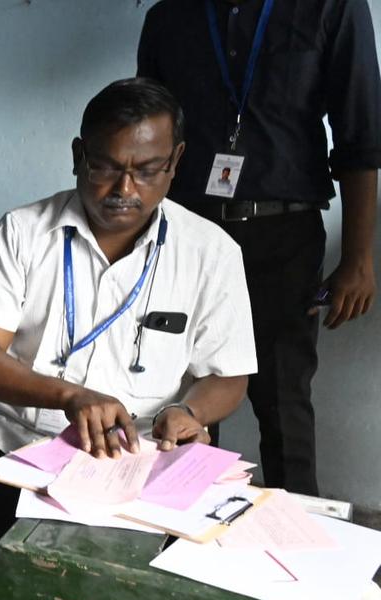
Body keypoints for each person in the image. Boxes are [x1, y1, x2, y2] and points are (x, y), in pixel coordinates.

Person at [0, 78, 257, 600]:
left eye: (147, 169)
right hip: (16, 431)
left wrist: (192, 412)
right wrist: (69, 394)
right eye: (105, 167)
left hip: (140, 444)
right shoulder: (22, 231)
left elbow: (228, 376)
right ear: (78, 155)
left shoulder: (211, 251)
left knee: (163, 570)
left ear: (175, 163)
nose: (124, 189)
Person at [138, 0, 381, 495]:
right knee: (183, 397)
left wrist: (358, 258)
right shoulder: (169, 16)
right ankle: (182, 541)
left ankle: (292, 547)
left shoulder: (333, 9)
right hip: (189, 237)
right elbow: (148, 138)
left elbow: (361, 138)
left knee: (283, 400)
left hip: (283, 240)